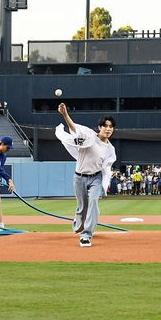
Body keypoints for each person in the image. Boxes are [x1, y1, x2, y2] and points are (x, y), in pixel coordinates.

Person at [55, 104, 116, 247]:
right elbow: (75, 128)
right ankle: (80, 226)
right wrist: (65, 115)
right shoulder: (89, 136)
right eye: (105, 126)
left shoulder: (110, 149)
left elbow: (107, 166)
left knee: (93, 202)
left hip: (95, 178)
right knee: (82, 207)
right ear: (99, 127)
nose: (108, 129)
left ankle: (86, 235)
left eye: (111, 127)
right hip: (79, 177)